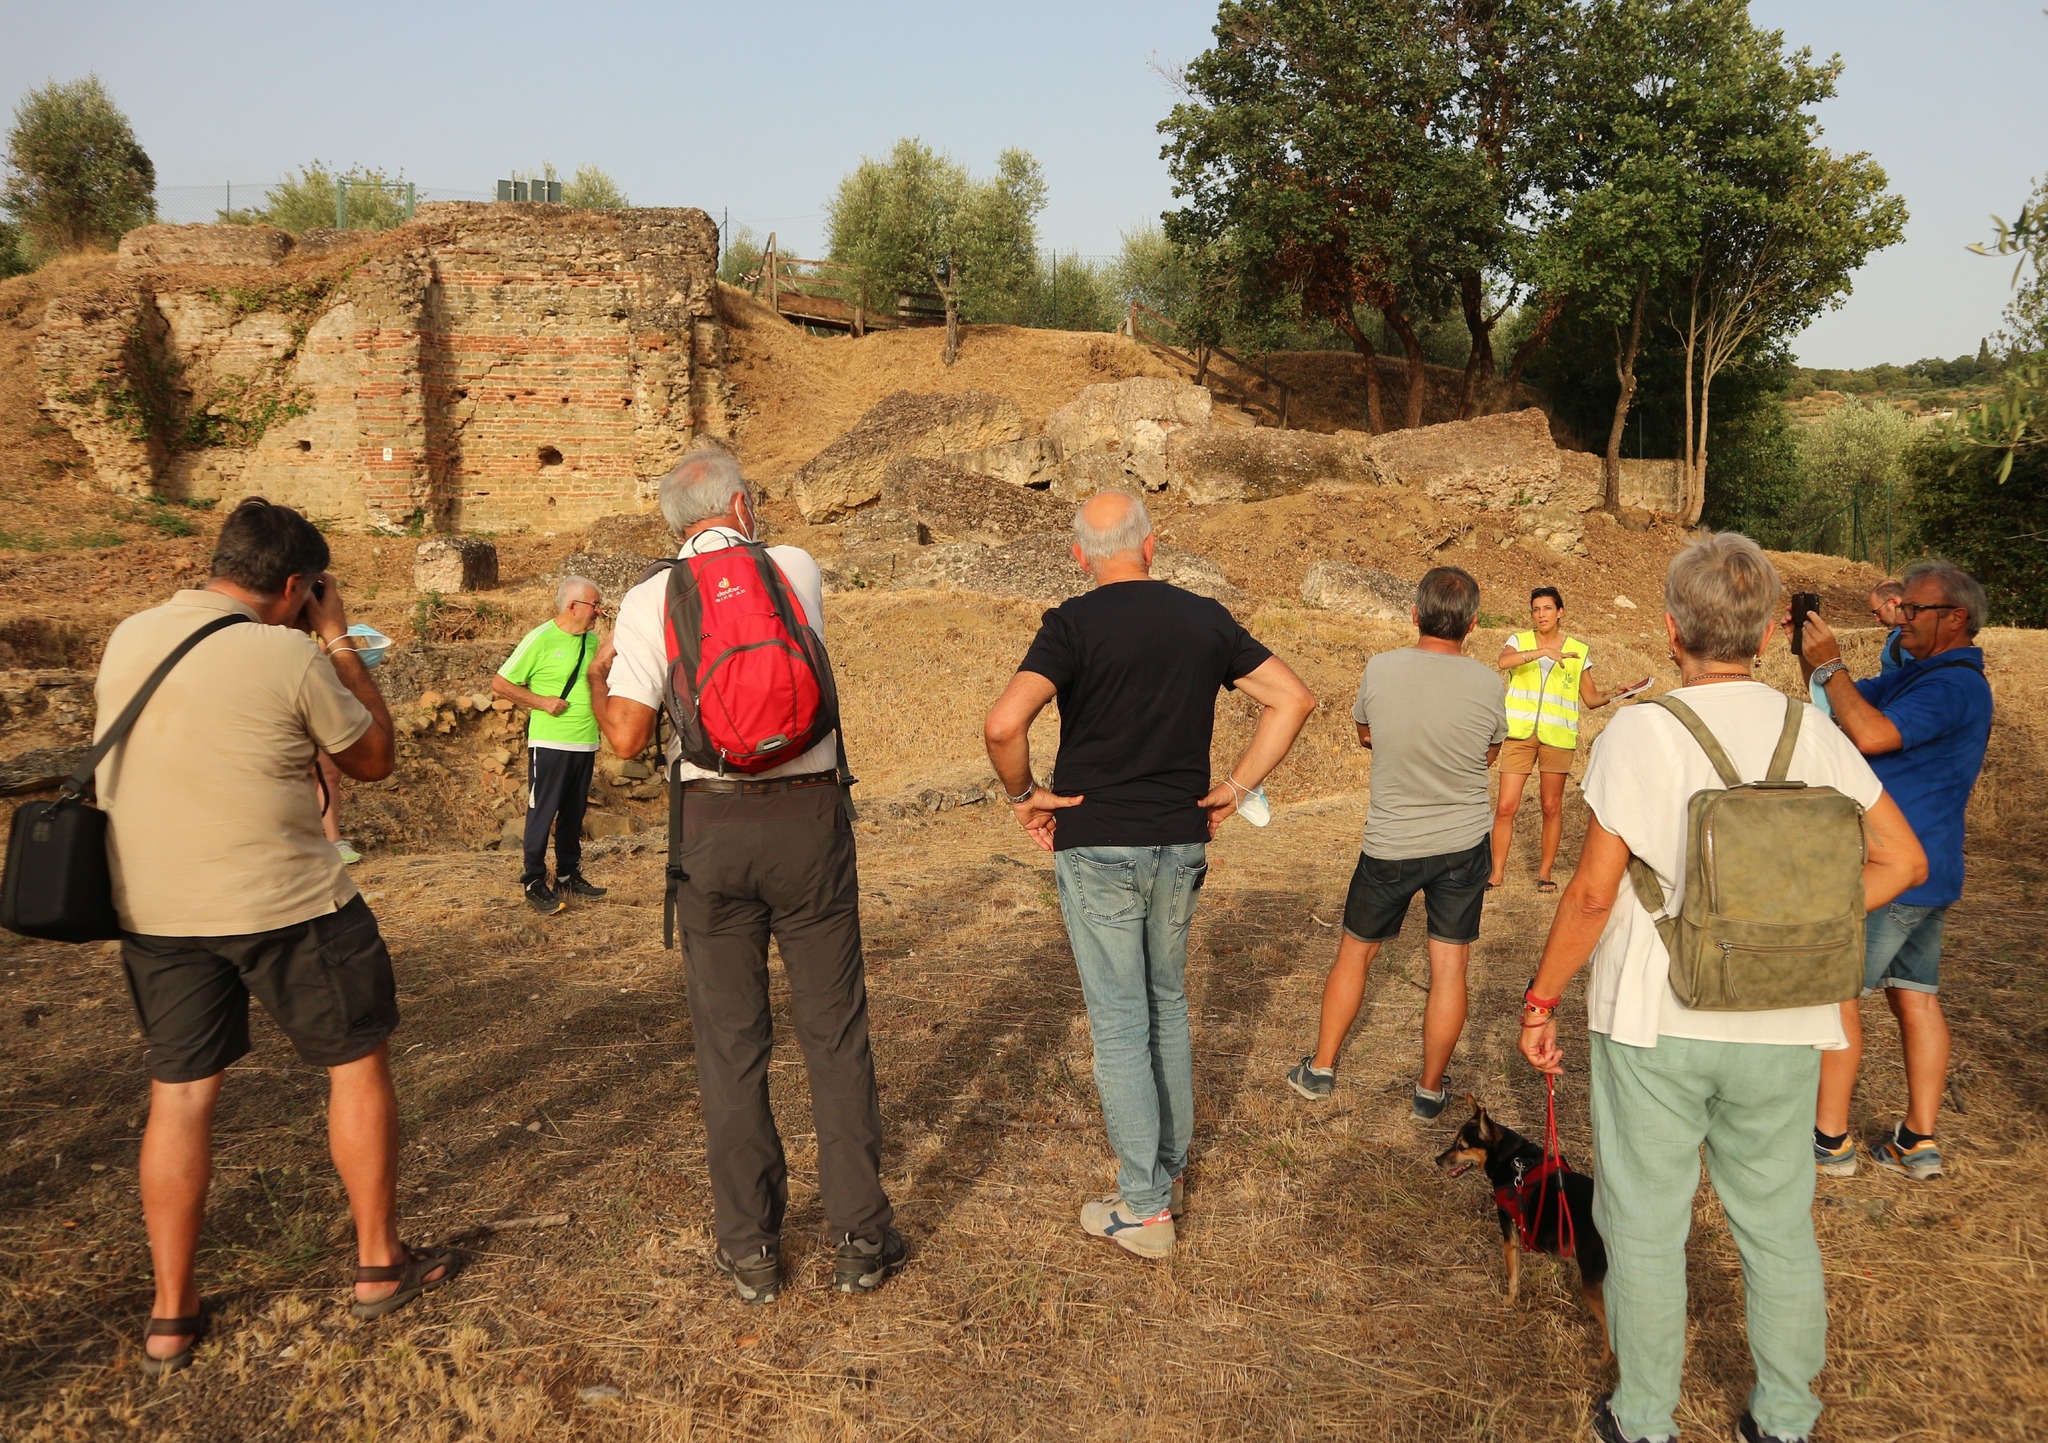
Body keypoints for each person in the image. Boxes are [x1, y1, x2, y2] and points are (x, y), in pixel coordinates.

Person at [1517, 531, 1925, 1443]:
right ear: (1770, 631)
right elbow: (1904, 860)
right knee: (1776, 1223)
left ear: (1671, 629)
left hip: (1653, 1017)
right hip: (1784, 1017)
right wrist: (1797, 915)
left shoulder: (1639, 732)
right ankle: (1785, 1417)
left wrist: (1541, 1000)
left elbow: (1592, 894)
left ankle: (1644, 1417)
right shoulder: (1813, 730)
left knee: (1645, 1224)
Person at [95, 498, 457, 1375]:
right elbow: (373, 756)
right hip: (287, 902)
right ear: (297, 585)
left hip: (156, 909)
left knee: (181, 1094)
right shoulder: (286, 652)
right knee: (355, 1063)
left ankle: (171, 1313)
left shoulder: (130, 637)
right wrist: (334, 638)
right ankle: (379, 1262)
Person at [587, 445, 903, 1303]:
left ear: (673, 525)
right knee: (834, 1031)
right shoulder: (794, 566)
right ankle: (860, 1236)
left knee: (731, 1043)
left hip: (712, 828)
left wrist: (601, 674)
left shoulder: (649, 600)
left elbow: (625, 740)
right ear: (742, 507)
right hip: (808, 819)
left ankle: (752, 1246)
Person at [983, 490, 1316, 1260]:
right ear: (1151, 545)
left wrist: (1023, 796)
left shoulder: (1071, 623)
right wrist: (1237, 785)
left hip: (1097, 842)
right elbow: (1293, 699)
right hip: (1179, 839)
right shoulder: (1204, 618)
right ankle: (1166, 1172)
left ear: (1079, 555)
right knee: (1166, 1004)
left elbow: (1003, 724)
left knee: (1121, 1020)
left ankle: (1144, 1208)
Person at [1286, 566, 1505, 1120]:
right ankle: (1429, 1092)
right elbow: (1489, 753)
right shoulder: (1488, 683)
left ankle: (1321, 1069)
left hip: (1390, 841)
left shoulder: (1381, 668)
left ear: (1414, 614)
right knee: (1449, 967)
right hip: (1463, 844)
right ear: (1473, 624)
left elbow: (1366, 732)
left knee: (1355, 953)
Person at [1801, 560, 1994, 1182]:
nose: (1900, 619)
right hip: (1930, 869)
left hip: (1895, 869)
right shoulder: (1920, 674)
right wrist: (1813, 659)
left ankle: (1828, 1141)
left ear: (1955, 617)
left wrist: (1831, 663)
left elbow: (1872, 734)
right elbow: (1837, 708)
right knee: (1915, 995)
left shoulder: (1953, 686)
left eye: (1914, 610)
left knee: (1834, 992)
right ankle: (1918, 1140)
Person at [1489, 587, 1648, 892]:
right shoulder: (1519, 641)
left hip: (1557, 738)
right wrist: (1542, 653)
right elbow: (1503, 662)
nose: (1541, 615)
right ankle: (1496, 874)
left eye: (1547, 608)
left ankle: (1545, 873)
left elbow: (1590, 698)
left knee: (1551, 806)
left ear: (1560, 612)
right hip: (1519, 735)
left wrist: (1616, 693)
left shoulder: (1578, 651)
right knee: (1506, 806)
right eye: (1536, 609)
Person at [492, 576, 608, 915]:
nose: (599, 611)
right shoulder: (540, 638)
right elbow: (501, 683)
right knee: (542, 813)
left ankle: (568, 875)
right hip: (550, 742)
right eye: (595, 605)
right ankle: (534, 881)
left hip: (585, 742)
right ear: (573, 606)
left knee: (574, 814)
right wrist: (542, 702)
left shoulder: (591, 641)